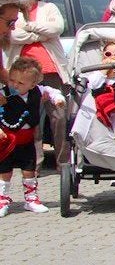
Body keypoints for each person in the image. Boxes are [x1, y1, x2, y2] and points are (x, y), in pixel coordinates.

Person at [5, 0, 71, 167]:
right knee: (32, 120)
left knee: (59, 118)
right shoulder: (12, 11)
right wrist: (42, 33)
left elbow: (57, 28)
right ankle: (35, 163)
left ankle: (63, 164)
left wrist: (30, 27)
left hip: (50, 71)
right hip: (22, 74)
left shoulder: (48, 8)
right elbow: (13, 36)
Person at [0, 57, 65, 216]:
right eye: (12, 80)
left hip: (27, 139)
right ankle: (3, 199)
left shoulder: (38, 92)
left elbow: (52, 91)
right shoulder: (3, 93)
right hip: (7, 139)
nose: (15, 85)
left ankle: (31, 199)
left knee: (29, 170)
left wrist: (58, 99)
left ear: (33, 84)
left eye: (21, 83)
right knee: (5, 171)